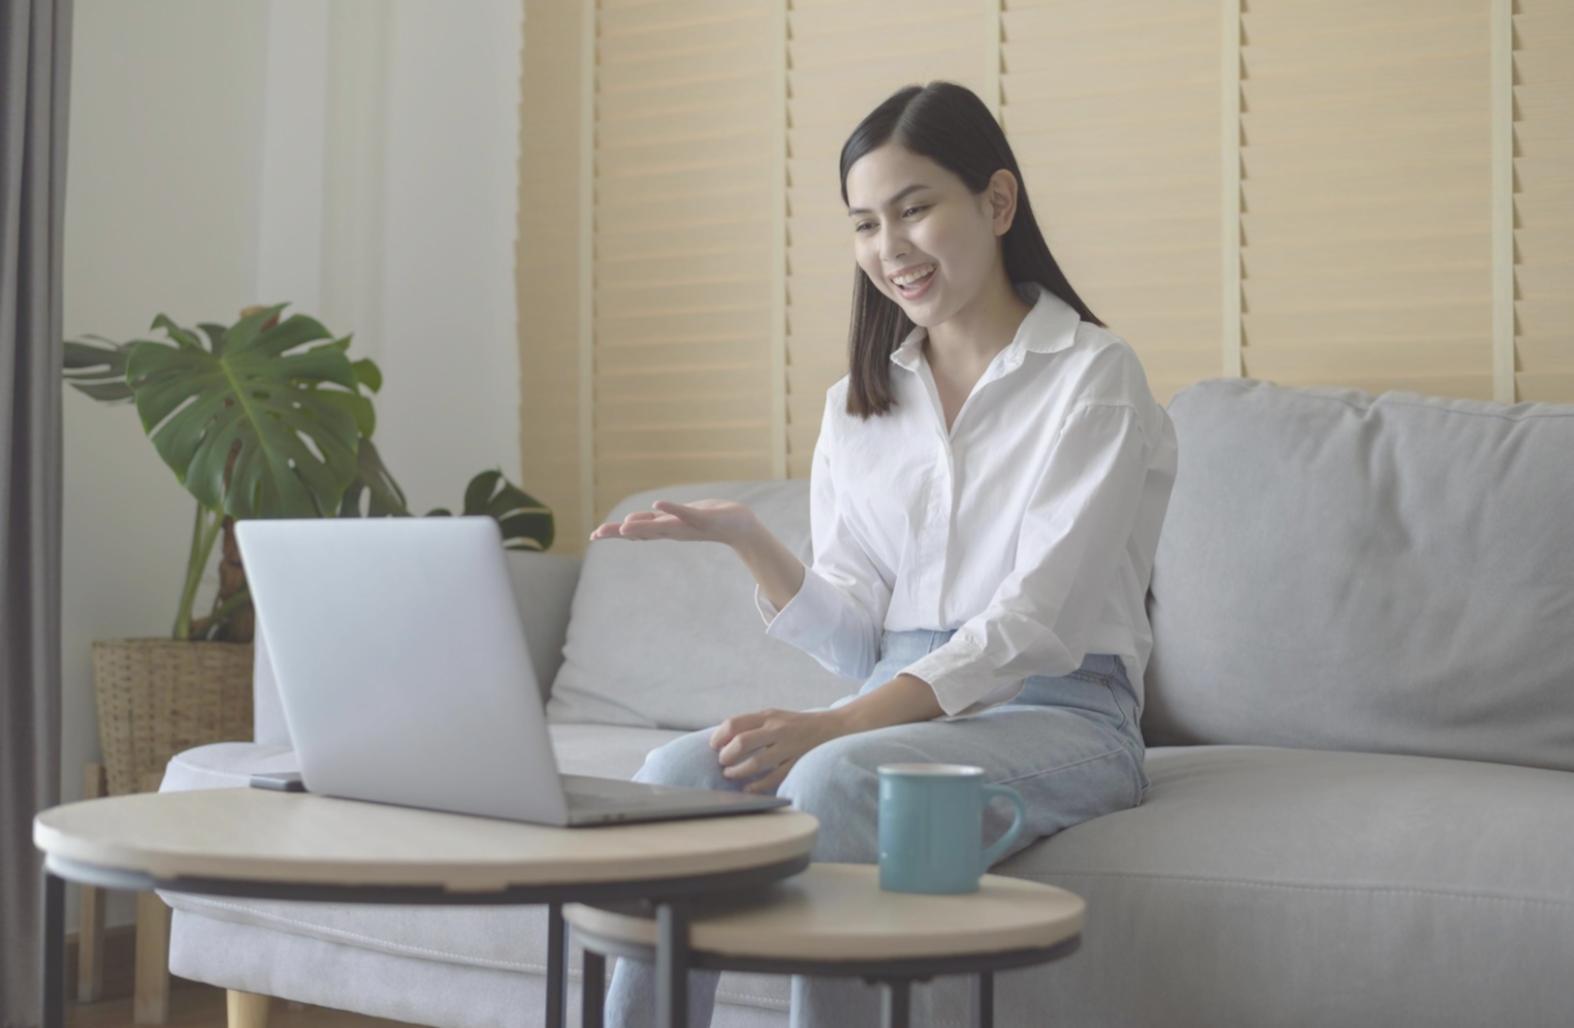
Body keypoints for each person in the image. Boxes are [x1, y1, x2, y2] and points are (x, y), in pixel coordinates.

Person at [587, 79, 1178, 1028]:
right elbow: (861, 640)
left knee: (835, 779)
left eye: (915, 209)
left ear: (996, 202)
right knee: (672, 783)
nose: (888, 249)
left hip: (1064, 712)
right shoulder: (860, 404)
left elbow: (1037, 623)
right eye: (864, 223)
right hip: (903, 702)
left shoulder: (1094, 377)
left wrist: (840, 727)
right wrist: (750, 540)